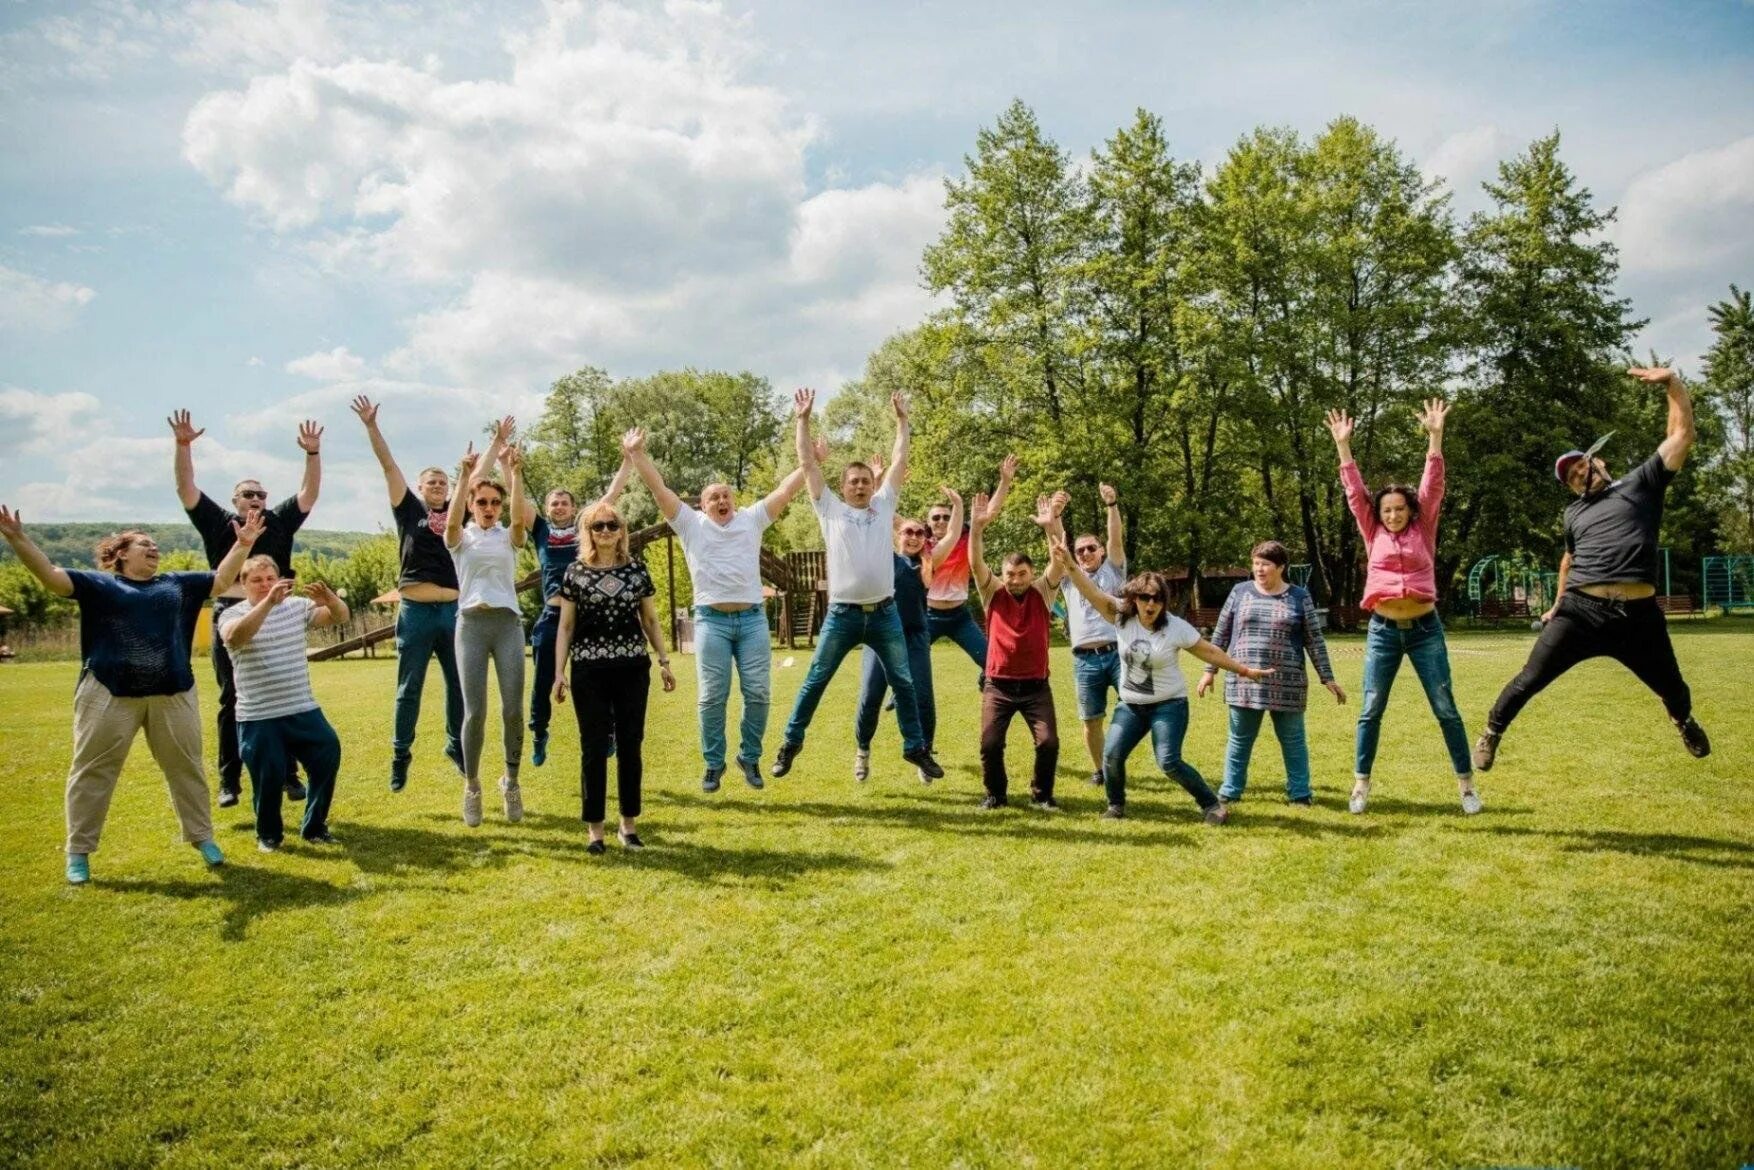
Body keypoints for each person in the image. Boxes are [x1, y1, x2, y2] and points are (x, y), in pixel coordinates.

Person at [0, 506, 262, 883]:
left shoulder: (178, 584)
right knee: (92, 771)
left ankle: (202, 837)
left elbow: (221, 581)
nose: (153, 548)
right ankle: (79, 851)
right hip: (108, 692)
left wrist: (243, 545)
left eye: (155, 544)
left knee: (186, 767)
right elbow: (53, 579)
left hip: (173, 692)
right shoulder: (100, 585)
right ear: (121, 553)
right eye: (144, 544)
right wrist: (18, 539)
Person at [1473, 367, 1711, 771]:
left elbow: (1680, 436)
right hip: (1581, 612)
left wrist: (1672, 383)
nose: (1578, 475)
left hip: (1638, 617)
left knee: (1673, 687)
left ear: (1598, 461)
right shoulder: (1573, 514)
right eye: (1570, 478)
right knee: (1529, 679)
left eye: (1580, 466)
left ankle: (1683, 722)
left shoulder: (1642, 483)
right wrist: (1556, 604)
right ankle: (1491, 733)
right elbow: (1569, 559)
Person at [771, 389, 945, 781]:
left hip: (885, 614)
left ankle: (915, 749)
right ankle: (790, 744)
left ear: (873, 485)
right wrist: (802, 420)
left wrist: (902, 421)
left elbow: (900, 460)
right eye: (854, 481)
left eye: (866, 481)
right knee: (816, 678)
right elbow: (806, 464)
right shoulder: (829, 508)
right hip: (842, 615)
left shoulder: (884, 507)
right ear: (843, 485)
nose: (862, 486)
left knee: (903, 681)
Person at [622, 426, 808, 792]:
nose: (721, 501)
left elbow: (785, 492)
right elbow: (660, 491)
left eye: (726, 496)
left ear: (733, 502)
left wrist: (810, 462)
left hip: (752, 620)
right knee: (712, 695)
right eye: (713, 497)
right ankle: (713, 763)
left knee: (758, 692)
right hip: (711, 622)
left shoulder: (751, 519)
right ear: (702, 505)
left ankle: (749, 756)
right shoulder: (691, 524)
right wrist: (638, 455)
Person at [1326, 399, 1480, 816]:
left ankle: (1466, 785)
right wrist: (1344, 447)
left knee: (1445, 706)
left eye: (1400, 508)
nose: (1393, 514)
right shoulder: (1371, 529)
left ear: (1411, 511)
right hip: (1383, 632)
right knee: (1370, 708)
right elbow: (1354, 493)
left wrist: (1435, 436)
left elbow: (1433, 485)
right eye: (1387, 509)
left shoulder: (1423, 528)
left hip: (1426, 629)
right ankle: (1360, 785)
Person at [168, 409, 321, 810]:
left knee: (285, 692)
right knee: (231, 699)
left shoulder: (278, 521)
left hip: (278, 614)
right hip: (232, 612)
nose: (256, 499)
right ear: (235, 500)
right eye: (247, 494)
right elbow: (186, 490)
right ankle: (229, 782)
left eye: (260, 494)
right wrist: (183, 447)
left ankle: (288, 775)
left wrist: (312, 454)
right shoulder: (218, 522)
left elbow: (308, 494)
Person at [1054, 540, 1270, 823]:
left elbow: (1209, 650)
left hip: (1168, 706)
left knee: (1168, 761)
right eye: (1144, 597)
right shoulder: (1120, 617)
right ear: (1134, 600)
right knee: (1111, 755)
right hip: (1131, 706)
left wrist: (1244, 670)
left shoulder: (1175, 627)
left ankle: (1212, 805)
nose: (1151, 603)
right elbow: (1090, 591)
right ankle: (1116, 805)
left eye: (1157, 598)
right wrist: (1069, 564)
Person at [352, 395, 465, 791]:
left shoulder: (457, 512)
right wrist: (371, 426)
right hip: (415, 611)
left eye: (443, 482)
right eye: (430, 482)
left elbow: (476, 476)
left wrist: (492, 452)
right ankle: (401, 754)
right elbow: (388, 465)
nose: (437, 486)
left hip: (452, 612)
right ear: (420, 488)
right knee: (409, 687)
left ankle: (457, 746)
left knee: (459, 683)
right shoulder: (408, 508)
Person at [552, 500, 677, 853]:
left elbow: (650, 620)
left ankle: (628, 825)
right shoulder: (575, 572)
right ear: (588, 532)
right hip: (589, 671)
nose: (605, 531)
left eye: (611, 525)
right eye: (598, 526)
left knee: (630, 746)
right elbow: (565, 625)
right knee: (592, 748)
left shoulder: (637, 571)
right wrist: (558, 673)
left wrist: (664, 660)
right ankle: (595, 831)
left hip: (632, 669)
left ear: (622, 531)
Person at [1197, 540, 1345, 806]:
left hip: (1287, 683)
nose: (1260, 569)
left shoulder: (1299, 597)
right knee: (1239, 740)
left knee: (1293, 741)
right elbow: (1221, 633)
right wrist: (1210, 670)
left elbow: (1314, 640)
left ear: (1281, 567)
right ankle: (1230, 791)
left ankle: (1300, 794)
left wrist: (1327, 677)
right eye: (1256, 564)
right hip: (1243, 680)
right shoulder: (1240, 592)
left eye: (1265, 564)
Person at [217, 556, 350, 851]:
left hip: (302, 708)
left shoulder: (297, 607)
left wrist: (329, 599)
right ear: (243, 584)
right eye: (257, 580)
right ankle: (269, 835)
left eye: (270, 579)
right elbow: (237, 637)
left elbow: (340, 617)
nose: (265, 585)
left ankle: (315, 827)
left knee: (327, 753)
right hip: (258, 715)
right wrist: (267, 604)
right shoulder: (232, 614)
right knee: (269, 777)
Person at [510, 457, 632, 768]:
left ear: (574, 508)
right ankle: (539, 733)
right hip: (553, 617)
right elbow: (518, 501)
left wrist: (628, 460)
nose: (560, 507)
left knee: (602, 676)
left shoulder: (585, 528)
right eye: (554, 503)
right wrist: (512, 469)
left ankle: (608, 733)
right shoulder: (540, 530)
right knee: (543, 681)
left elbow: (611, 495)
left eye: (565, 503)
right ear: (548, 509)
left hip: (588, 617)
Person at [444, 424, 526, 827]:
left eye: (495, 502)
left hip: (507, 625)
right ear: (473, 505)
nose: (489, 507)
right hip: (472, 626)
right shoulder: (461, 538)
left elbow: (519, 520)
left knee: (513, 708)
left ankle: (510, 782)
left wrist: (516, 471)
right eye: (483, 502)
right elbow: (452, 521)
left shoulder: (509, 537)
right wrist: (463, 476)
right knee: (475, 712)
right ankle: (472, 785)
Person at [967, 488, 1067, 809]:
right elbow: (975, 561)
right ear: (1003, 574)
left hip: (1037, 686)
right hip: (998, 686)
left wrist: (1053, 526)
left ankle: (1042, 795)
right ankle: (995, 794)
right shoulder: (992, 592)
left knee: (1048, 743)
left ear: (1031, 574)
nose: (1016, 579)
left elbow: (1060, 558)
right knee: (990, 744)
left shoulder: (1043, 592)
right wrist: (977, 528)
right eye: (1010, 574)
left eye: (1022, 574)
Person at [1041, 484, 1128, 789]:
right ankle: (1101, 770)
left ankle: (1122, 758)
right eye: (1081, 550)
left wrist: (1111, 504)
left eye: (1092, 548)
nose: (1086, 553)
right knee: (1091, 720)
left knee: (1137, 708)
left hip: (1118, 653)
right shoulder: (1069, 578)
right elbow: (1058, 546)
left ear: (1101, 551)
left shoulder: (1114, 571)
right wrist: (1054, 516)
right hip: (1084, 660)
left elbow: (1115, 536)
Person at [852, 508, 937, 782]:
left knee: (922, 697)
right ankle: (863, 750)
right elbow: (871, 524)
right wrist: (877, 489)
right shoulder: (885, 559)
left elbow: (958, 534)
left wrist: (958, 508)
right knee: (870, 697)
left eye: (918, 532)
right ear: (896, 536)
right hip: (880, 636)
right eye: (907, 532)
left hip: (914, 638)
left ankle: (924, 754)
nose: (913, 537)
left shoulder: (928, 563)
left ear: (925, 538)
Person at [923, 457, 1016, 686]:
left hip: (958, 616)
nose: (942, 521)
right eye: (936, 517)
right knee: (908, 658)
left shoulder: (965, 536)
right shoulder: (920, 542)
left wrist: (1004, 482)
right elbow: (891, 519)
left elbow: (990, 512)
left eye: (946, 516)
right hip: (927, 615)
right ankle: (901, 691)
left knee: (992, 662)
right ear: (928, 522)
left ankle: (986, 680)